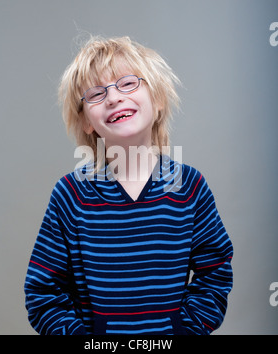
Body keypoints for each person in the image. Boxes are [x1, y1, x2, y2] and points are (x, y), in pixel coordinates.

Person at [24, 35, 233, 335]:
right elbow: (42, 295)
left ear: (157, 99)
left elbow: (215, 274)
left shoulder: (190, 188)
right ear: (86, 122)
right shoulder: (69, 196)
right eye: (96, 93)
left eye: (127, 83)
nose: (113, 97)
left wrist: (182, 332)